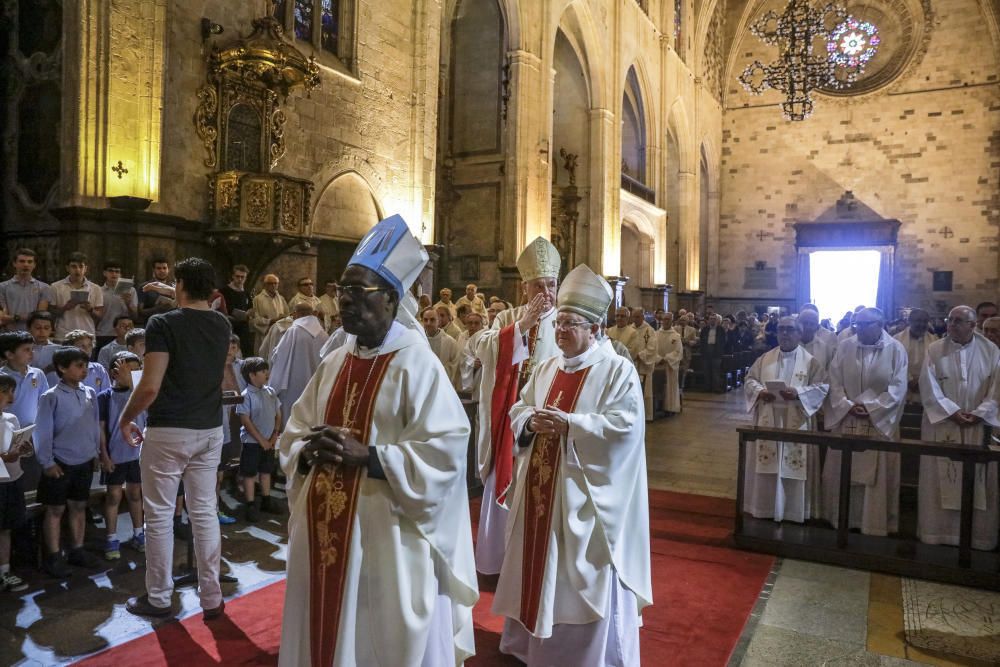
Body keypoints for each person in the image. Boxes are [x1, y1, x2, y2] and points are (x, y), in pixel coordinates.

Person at [277, 214, 477, 666]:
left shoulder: (416, 364)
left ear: (389, 299)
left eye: (357, 294)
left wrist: (370, 456)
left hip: (388, 533)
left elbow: (446, 449)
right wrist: (304, 451)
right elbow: (294, 429)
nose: (343, 303)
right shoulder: (334, 362)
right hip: (326, 525)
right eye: (342, 292)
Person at [493, 264, 652, 665]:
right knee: (535, 566)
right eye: (558, 323)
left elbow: (626, 427)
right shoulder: (548, 367)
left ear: (595, 328)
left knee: (575, 575)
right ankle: (531, 647)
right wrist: (528, 420)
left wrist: (572, 425)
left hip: (582, 497)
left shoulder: (617, 370)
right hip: (539, 492)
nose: (560, 331)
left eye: (571, 324)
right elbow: (520, 405)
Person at [118, 257, 232, 619]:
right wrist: (174, 290)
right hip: (210, 429)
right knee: (204, 513)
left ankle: (160, 597)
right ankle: (212, 598)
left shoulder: (162, 323)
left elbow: (150, 386)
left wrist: (125, 417)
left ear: (180, 284)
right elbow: (201, 307)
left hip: (169, 430)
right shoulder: (221, 323)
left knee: (161, 516)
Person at [472, 237, 561, 575]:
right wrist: (521, 327)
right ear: (524, 287)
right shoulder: (508, 316)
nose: (547, 292)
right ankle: (499, 561)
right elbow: (479, 348)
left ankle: (533, 561)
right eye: (539, 285)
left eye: (552, 284)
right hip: (509, 419)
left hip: (545, 420)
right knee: (504, 486)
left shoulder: (566, 321)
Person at [918, 306, 1000, 550]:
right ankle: (936, 533)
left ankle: (978, 538)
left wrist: (979, 414)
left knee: (978, 483)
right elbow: (928, 386)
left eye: (958, 321)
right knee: (937, 479)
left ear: (972, 325)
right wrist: (952, 412)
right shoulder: (935, 349)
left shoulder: (991, 350)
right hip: (943, 424)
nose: (951, 324)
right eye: (949, 320)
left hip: (978, 427)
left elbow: (997, 389)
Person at [822, 307, 907, 536]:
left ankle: (873, 523)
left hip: (879, 422)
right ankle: (841, 518)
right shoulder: (845, 345)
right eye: (856, 324)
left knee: (876, 481)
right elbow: (834, 379)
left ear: (879, 325)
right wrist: (847, 405)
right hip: (846, 417)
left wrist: (871, 408)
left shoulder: (896, 349)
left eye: (863, 324)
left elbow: (898, 388)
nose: (857, 328)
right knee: (843, 471)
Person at [743, 317, 828, 523]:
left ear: (800, 333)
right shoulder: (765, 359)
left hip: (795, 420)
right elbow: (750, 380)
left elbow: (822, 387)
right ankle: (763, 507)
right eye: (781, 329)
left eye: (790, 330)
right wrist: (761, 392)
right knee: (767, 464)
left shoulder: (811, 362)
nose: (785, 334)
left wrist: (798, 393)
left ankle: (793, 511)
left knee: (792, 465)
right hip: (768, 418)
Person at [35, 347, 102, 577]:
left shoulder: (89, 393)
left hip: (83, 459)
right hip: (60, 462)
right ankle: (53, 557)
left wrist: (95, 452)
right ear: (62, 368)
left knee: (78, 506)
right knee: (55, 510)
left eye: (85, 366)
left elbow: (94, 425)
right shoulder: (50, 396)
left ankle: (77, 549)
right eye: (78, 366)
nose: (84, 371)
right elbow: (42, 432)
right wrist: (47, 462)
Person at [98, 352, 146, 560]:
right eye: (128, 370)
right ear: (114, 372)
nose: (133, 375)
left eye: (137, 370)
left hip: (138, 454)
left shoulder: (142, 393)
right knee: (113, 496)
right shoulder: (104, 397)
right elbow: (101, 430)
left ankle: (139, 534)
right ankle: (111, 538)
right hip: (116, 455)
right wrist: (105, 456)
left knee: (136, 494)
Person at [268, 302, 328, 428]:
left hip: (293, 385)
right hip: (317, 386)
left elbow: (279, 358)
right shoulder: (323, 334)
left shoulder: (293, 331)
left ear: (296, 314)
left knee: (292, 421)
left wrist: (273, 387)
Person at [237, 357, 282, 522]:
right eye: (263, 371)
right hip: (252, 442)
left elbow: (278, 414)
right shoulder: (246, 395)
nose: (267, 374)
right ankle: (250, 503)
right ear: (252, 375)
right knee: (249, 473)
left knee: (266, 470)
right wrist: (261, 440)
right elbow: (245, 420)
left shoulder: (270, 392)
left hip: (269, 441)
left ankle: (266, 499)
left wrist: (274, 435)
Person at [0, 374, 29, 592]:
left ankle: (4, 571)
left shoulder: (10, 419)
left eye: (11, 391)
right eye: (5, 391)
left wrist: (22, 450)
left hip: (12, 478)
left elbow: (14, 448)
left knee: (6, 528)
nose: (10, 396)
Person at [0, 331, 49, 429]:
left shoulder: (38, 374)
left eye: (32, 349)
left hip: (32, 431)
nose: (32, 353)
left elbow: (44, 403)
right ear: (10, 354)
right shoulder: (1, 377)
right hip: (6, 431)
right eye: (26, 350)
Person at [50, 252, 104, 340]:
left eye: (81, 266)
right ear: (67, 268)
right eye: (74, 266)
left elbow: (100, 316)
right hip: (64, 335)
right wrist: (65, 307)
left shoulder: (96, 288)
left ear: (86, 268)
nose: (78, 270)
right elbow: (51, 314)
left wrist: (90, 309)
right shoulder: (56, 287)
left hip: (87, 335)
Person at [0, 248, 51, 331]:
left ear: (34, 265)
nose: (26, 265)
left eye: (30, 262)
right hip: (8, 334)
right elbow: (2, 318)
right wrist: (25, 316)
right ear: (14, 263)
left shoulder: (44, 287)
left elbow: (39, 316)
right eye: (22, 261)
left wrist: (14, 317)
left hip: (33, 335)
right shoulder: (2, 287)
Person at [893, 308, 937, 403]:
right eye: (918, 321)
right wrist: (909, 380)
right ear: (909, 321)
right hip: (902, 387)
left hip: (926, 388)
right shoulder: (896, 340)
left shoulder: (935, 341)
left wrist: (922, 381)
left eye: (925, 321)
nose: (921, 324)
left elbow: (937, 365)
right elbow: (892, 364)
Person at [96, 260, 139, 351]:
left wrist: (128, 303)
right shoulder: (98, 291)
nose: (114, 274)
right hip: (104, 333)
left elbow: (135, 316)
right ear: (105, 273)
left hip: (125, 334)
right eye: (111, 271)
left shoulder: (131, 291)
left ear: (120, 274)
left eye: (117, 271)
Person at [52, 330, 111, 395]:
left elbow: (106, 393)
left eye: (90, 345)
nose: (87, 349)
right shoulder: (63, 370)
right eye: (82, 346)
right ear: (70, 348)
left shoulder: (98, 368)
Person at [627, 308, 658, 419]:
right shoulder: (629, 329)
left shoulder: (649, 331)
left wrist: (639, 356)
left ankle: (645, 415)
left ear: (643, 317)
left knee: (644, 392)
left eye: (638, 317)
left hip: (643, 366)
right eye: (634, 317)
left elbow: (652, 348)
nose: (635, 319)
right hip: (631, 364)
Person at [422, 306, 462, 389]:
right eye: (425, 320)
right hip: (422, 384)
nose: (428, 323)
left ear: (438, 321)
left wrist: (436, 372)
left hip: (442, 385)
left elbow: (455, 364)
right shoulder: (419, 341)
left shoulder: (450, 342)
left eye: (432, 320)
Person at [220, 264, 253, 357]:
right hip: (229, 327)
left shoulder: (246, 293)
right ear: (233, 276)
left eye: (243, 277)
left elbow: (250, 307)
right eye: (237, 276)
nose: (240, 279)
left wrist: (250, 312)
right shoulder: (224, 291)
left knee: (246, 354)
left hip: (243, 328)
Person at [251, 274, 289, 354]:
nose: (273, 285)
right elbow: (254, 319)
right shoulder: (257, 299)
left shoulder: (281, 299)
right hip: (265, 333)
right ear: (265, 285)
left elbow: (288, 315)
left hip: (279, 333)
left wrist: (283, 318)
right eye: (270, 283)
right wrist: (270, 321)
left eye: (275, 283)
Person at [655, 311, 683, 414]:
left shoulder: (676, 336)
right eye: (664, 319)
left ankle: (670, 407)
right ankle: (658, 406)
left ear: (672, 321)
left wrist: (666, 358)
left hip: (669, 366)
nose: (665, 321)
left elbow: (678, 352)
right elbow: (652, 349)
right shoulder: (655, 334)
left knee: (670, 386)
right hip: (657, 365)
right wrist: (658, 359)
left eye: (668, 319)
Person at [138, 258, 174, 324]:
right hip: (152, 324)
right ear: (154, 270)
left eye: (164, 268)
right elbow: (140, 312)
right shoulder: (145, 286)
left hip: (170, 324)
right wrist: (157, 309)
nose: (162, 271)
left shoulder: (173, 287)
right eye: (159, 268)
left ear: (168, 269)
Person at [458, 310, 487, 395]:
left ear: (482, 325)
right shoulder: (461, 337)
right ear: (466, 325)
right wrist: (471, 363)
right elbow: (458, 357)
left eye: (476, 323)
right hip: (462, 382)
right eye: (470, 323)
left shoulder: (487, 337)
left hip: (481, 379)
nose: (473, 326)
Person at [699, 313, 728, 392]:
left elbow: (724, 341)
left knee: (716, 371)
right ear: (708, 320)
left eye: (714, 319)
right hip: (706, 351)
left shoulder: (721, 329)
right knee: (706, 371)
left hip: (716, 352)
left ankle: (716, 388)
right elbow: (701, 340)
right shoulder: (705, 329)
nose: (712, 320)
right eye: (711, 319)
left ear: (717, 320)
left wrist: (719, 349)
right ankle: (707, 387)